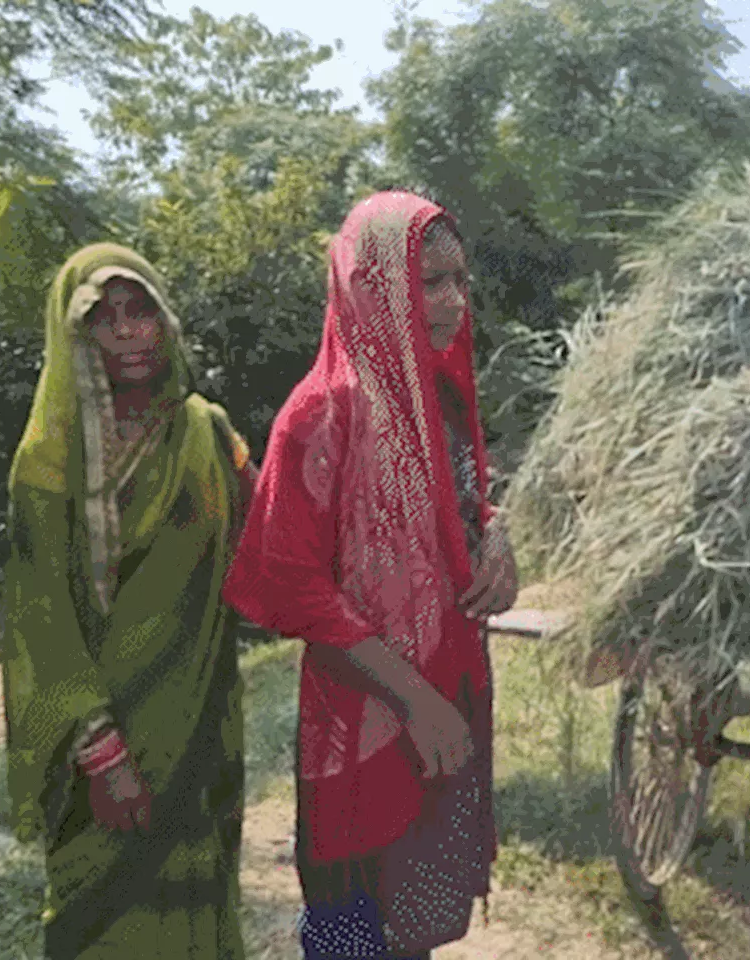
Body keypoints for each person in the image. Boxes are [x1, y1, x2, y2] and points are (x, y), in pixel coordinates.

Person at [222, 190, 520, 959]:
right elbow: (290, 587)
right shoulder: (321, 413)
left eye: (460, 280)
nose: (454, 300)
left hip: (447, 702)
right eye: (428, 280)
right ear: (368, 281)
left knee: (416, 931)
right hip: (364, 726)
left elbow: (462, 514)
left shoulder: (444, 402)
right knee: (352, 937)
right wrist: (415, 699)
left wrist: (499, 543)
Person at [1, 244, 257, 959]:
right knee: (101, 921)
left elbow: (276, 545)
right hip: (102, 750)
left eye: (140, 310)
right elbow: (40, 617)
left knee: (195, 911)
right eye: (102, 319)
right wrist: (104, 755)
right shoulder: (45, 463)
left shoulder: (208, 434)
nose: (128, 333)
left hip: (198, 730)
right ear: (70, 335)